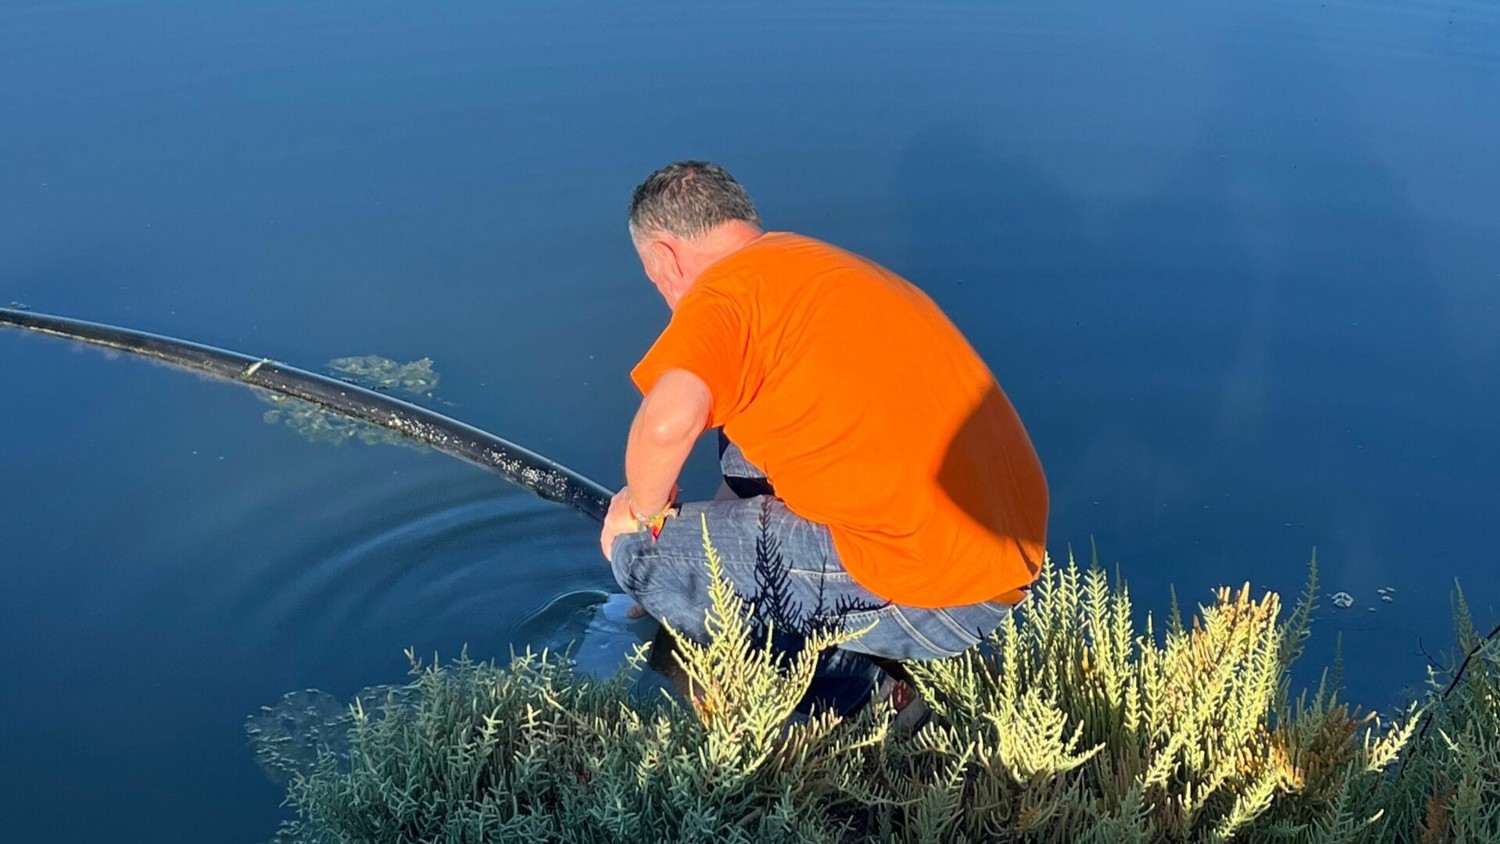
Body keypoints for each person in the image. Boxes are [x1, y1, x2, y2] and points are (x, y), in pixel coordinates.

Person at [601, 160, 1048, 684]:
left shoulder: (721, 296)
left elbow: (665, 425)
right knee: (742, 430)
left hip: (926, 597)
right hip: (999, 561)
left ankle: (804, 692)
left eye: (656, 280)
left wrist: (646, 523)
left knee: (634, 553)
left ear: (665, 257)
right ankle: (721, 576)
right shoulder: (816, 266)